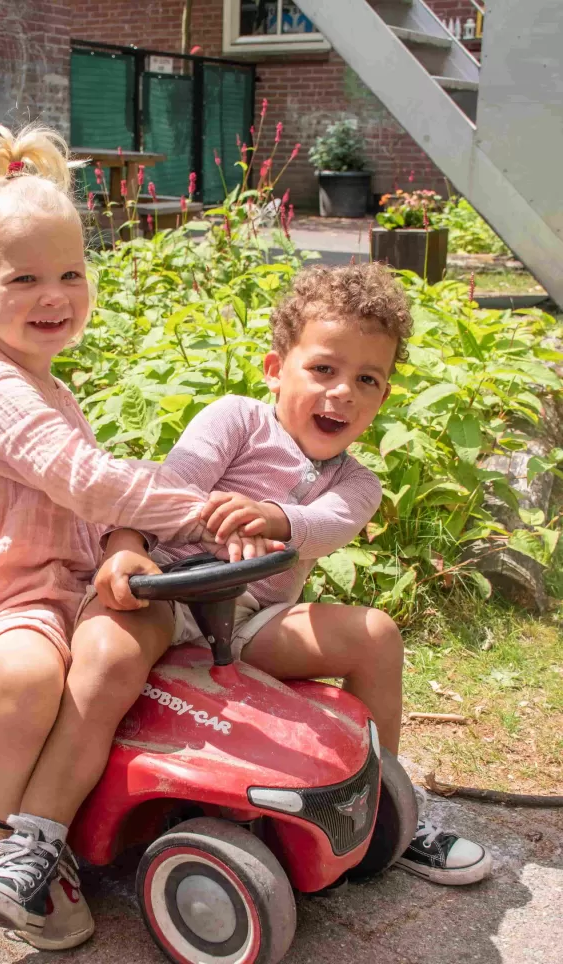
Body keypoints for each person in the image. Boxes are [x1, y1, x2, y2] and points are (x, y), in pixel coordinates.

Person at [0, 123, 280, 950]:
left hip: (67, 588)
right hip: (3, 603)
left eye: (71, 274)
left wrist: (129, 537)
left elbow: (94, 487)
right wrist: (200, 507)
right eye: (25, 279)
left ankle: (69, 809)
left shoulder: (46, 386)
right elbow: (86, 479)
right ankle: (16, 841)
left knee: (142, 632)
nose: (55, 295)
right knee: (29, 676)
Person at [84, 263, 494, 893]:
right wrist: (156, 537)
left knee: (376, 634)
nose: (343, 392)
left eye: (366, 379)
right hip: (168, 595)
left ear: (382, 398)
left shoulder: (356, 483)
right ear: (276, 369)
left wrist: (274, 518)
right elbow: (170, 487)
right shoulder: (236, 421)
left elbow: (327, 526)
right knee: (104, 655)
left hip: (250, 623)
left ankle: (385, 809)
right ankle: (61, 807)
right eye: (324, 369)